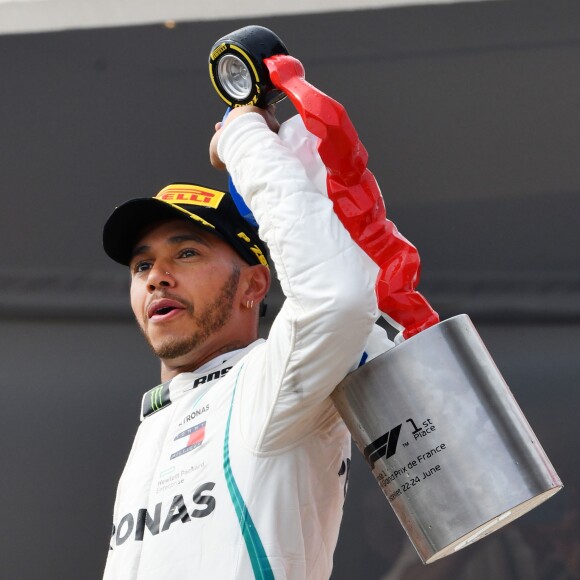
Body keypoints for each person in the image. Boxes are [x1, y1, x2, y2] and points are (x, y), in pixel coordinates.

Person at [101, 104, 391, 579]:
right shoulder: (155, 423)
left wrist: (244, 140)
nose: (157, 278)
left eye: (187, 253)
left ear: (254, 286)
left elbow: (337, 295)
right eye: (141, 266)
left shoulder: (266, 386)